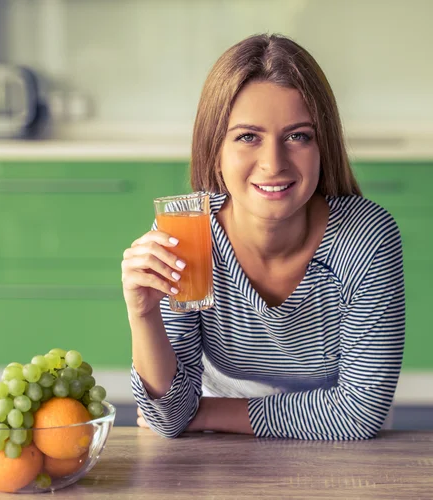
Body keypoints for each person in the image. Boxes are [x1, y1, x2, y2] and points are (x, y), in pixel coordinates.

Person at [121, 33, 405, 440]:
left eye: (298, 136)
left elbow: (357, 413)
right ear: (215, 150)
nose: (273, 163)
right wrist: (143, 314)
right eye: (247, 136)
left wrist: (204, 415)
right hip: (224, 442)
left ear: (323, 146)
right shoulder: (186, 235)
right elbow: (168, 417)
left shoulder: (366, 239)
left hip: (333, 442)